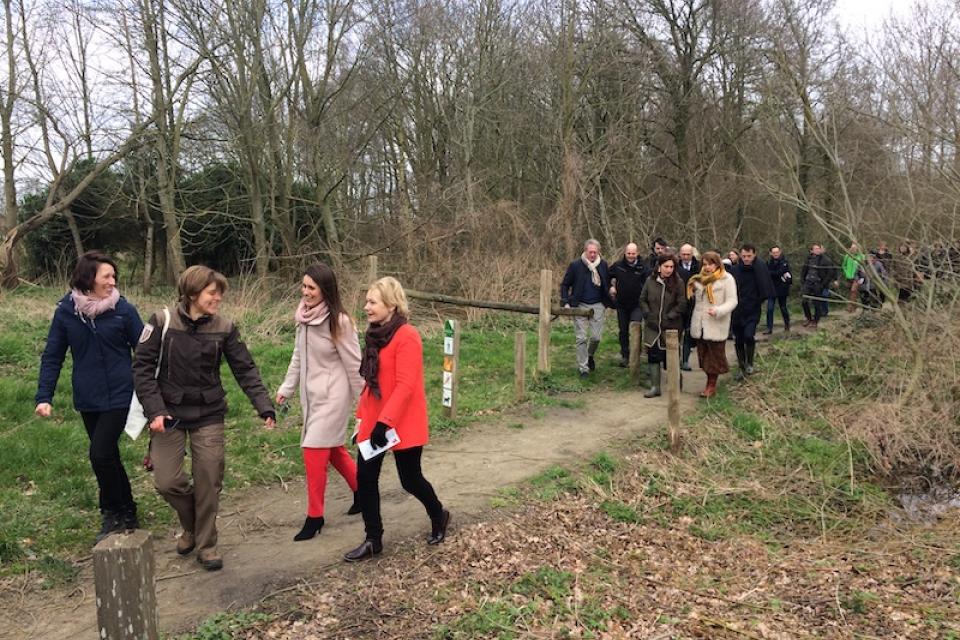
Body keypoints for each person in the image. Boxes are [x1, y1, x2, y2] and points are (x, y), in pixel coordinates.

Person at [133, 266, 275, 571]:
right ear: (193, 293)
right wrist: (155, 410)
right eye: (213, 293)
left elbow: (245, 368)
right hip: (168, 414)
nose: (219, 298)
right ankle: (193, 527)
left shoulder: (225, 327)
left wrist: (264, 405)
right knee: (167, 481)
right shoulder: (161, 321)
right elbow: (142, 370)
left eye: (220, 292)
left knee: (209, 479)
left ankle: (207, 544)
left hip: (209, 413)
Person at [35, 251, 144, 544]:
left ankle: (111, 512)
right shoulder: (66, 312)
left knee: (99, 454)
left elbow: (146, 353)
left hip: (122, 394)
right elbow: (53, 356)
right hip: (88, 396)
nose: (113, 281)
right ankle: (128, 510)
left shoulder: (124, 311)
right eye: (106, 276)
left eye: (113, 276)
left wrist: (151, 391)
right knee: (108, 456)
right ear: (88, 278)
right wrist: (44, 396)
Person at [344, 277, 449, 562]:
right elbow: (371, 383)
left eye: (372, 302)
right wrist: (361, 418)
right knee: (365, 479)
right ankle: (373, 539)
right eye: (366, 301)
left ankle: (439, 514)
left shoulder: (407, 335)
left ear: (391, 305)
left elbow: (406, 385)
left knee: (410, 480)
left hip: (401, 421)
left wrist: (385, 422)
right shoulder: (374, 335)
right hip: (375, 420)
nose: (366, 307)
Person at [276, 263, 364, 542]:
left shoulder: (340, 322)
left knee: (313, 450)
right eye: (303, 286)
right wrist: (286, 389)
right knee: (333, 449)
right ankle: (363, 492)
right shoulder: (303, 318)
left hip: (334, 398)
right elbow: (298, 357)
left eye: (311, 287)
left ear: (325, 290)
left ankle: (315, 516)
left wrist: (365, 405)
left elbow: (355, 365)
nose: (305, 292)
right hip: (311, 398)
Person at [560, 239, 613, 377]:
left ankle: (589, 356)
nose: (593, 255)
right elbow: (565, 285)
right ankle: (583, 368)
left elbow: (607, 282)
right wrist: (565, 302)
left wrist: (611, 293)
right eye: (590, 252)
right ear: (585, 251)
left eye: (595, 252)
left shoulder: (603, 265)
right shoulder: (576, 265)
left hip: (597, 305)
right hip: (580, 304)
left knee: (596, 337)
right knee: (581, 338)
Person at [687, 252, 738, 398]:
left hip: (716, 322)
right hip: (700, 322)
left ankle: (711, 385)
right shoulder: (698, 279)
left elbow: (732, 301)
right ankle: (709, 381)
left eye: (711, 264)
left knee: (714, 356)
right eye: (705, 264)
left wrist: (718, 310)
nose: (708, 267)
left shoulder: (726, 279)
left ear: (717, 264)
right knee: (703, 355)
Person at [638, 253, 687, 397]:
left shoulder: (678, 282)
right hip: (652, 326)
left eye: (672, 267)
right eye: (666, 266)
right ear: (659, 267)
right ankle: (655, 387)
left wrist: (670, 316)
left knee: (670, 358)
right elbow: (642, 299)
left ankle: (676, 384)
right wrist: (647, 313)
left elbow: (682, 303)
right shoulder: (650, 281)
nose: (669, 269)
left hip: (671, 327)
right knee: (653, 356)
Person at [730, 244, 775, 379]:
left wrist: (758, 300)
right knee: (738, 339)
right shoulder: (735, 270)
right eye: (744, 256)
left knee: (749, 335)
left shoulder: (760, 268)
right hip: (737, 310)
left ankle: (750, 363)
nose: (746, 259)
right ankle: (741, 366)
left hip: (753, 309)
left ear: (754, 254)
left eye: (749, 256)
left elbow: (765, 287)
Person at [608, 242, 647, 367]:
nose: (631, 256)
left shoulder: (643, 267)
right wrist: (610, 287)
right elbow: (606, 276)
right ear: (625, 253)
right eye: (629, 253)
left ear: (637, 253)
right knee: (623, 331)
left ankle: (636, 356)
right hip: (622, 304)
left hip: (637, 304)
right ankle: (625, 355)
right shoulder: (618, 266)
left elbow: (649, 283)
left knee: (635, 328)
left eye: (633, 253)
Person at [800, 243, 837, 329]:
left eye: (818, 249)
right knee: (804, 301)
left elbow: (830, 272)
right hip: (808, 282)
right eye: (815, 249)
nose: (817, 250)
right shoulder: (808, 259)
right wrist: (802, 281)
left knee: (817, 303)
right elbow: (803, 271)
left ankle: (815, 321)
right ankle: (808, 318)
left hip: (818, 283)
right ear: (811, 251)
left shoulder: (825, 260)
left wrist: (823, 284)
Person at [676, 244, 700, 370]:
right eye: (683, 254)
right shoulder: (674, 267)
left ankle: (685, 360)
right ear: (680, 254)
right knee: (677, 333)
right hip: (679, 304)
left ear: (692, 254)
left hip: (694, 304)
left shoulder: (699, 266)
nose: (685, 257)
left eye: (688, 254)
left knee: (689, 333)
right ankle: (675, 360)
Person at [764, 245, 792, 334]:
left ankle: (787, 324)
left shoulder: (784, 262)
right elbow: (766, 273)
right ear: (771, 253)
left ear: (780, 252)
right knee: (770, 309)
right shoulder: (768, 262)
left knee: (783, 308)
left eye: (777, 252)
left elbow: (780, 272)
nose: (775, 254)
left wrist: (770, 273)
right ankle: (769, 328)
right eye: (774, 252)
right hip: (771, 288)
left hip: (782, 288)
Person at [841, 243, 865, 313]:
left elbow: (864, 267)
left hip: (857, 277)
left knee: (853, 291)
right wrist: (846, 273)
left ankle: (850, 307)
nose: (853, 250)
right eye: (852, 248)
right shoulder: (847, 256)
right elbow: (844, 265)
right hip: (849, 277)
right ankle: (854, 306)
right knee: (851, 292)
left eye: (854, 248)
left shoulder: (862, 257)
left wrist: (862, 277)